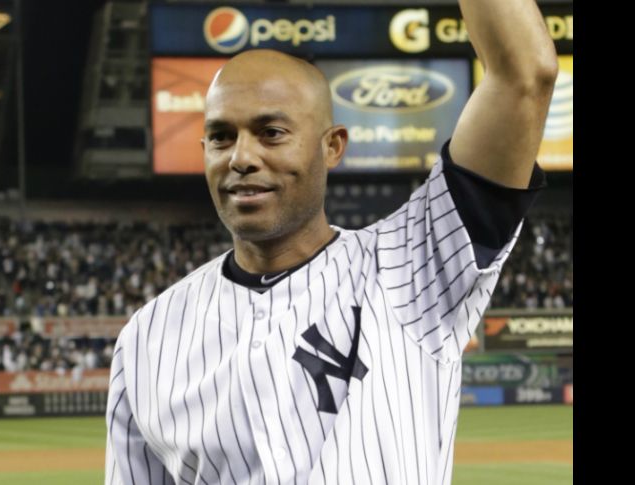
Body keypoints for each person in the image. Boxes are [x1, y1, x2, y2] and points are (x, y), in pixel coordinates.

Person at [105, 0, 557, 483]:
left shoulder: (413, 267)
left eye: (271, 132)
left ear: (332, 145)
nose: (241, 157)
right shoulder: (147, 337)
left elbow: (524, 75)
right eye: (220, 137)